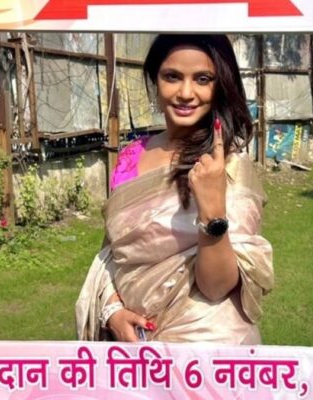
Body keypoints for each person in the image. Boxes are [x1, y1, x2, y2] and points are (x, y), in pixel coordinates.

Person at [75, 34, 274, 344]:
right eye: (172, 77)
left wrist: (212, 207)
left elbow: (217, 288)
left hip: (209, 348)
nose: (185, 93)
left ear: (220, 86)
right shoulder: (132, 156)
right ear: (155, 81)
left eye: (202, 79)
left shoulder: (229, 166)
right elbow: (114, 252)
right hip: (136, 347)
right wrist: (112, 310)